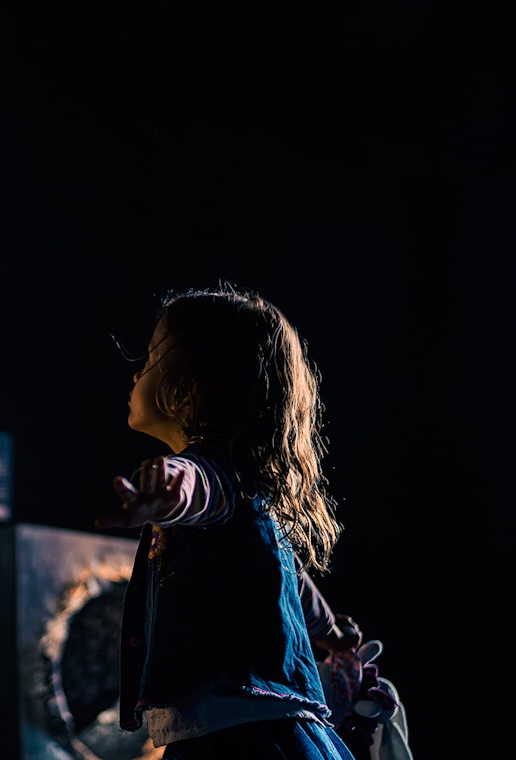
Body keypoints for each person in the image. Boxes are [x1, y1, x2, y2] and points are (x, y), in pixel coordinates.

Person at [94, 282, 355, 759]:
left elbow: (196, 484)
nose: (136, 370)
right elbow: (291, 582)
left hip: (241, 741)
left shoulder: (214, 476)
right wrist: (334, 635)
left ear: (189, 389)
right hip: (262, 734)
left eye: (151, 356)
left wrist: (166, 491)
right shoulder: (251, 496)